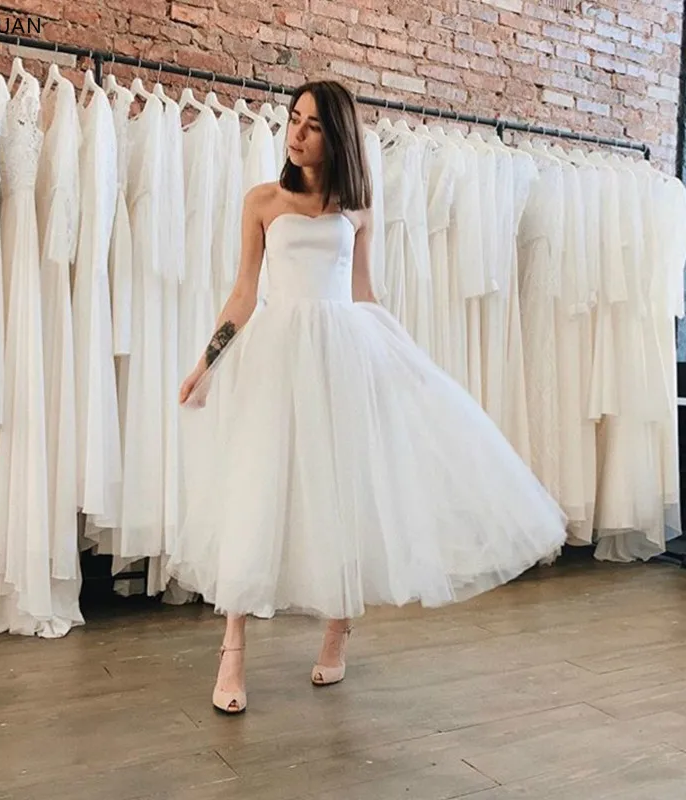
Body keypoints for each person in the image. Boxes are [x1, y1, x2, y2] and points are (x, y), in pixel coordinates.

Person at [169, 80, 567, 715]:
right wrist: (206, 363)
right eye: (293, 120)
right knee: (256, 483)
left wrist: (403, 357)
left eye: (312, 126)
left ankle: (336, 630)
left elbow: (363, 294)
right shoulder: (263, 202)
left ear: (338, 137)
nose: (295, 134)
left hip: (342, 354)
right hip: (277, 353)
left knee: (341, 490)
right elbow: (245, 291)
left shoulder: (357, 210)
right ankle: (233, 646)